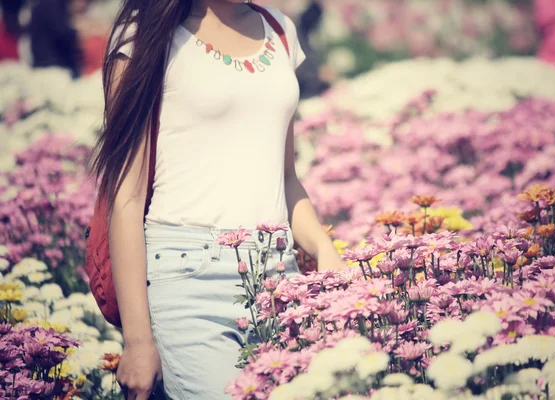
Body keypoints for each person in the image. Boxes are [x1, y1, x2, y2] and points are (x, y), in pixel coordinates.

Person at [88, 0, 346, 399]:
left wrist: (324, 247)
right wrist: (138, 341)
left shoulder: (279, 30)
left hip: (280, 274)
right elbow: (128, 195)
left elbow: (286, 176)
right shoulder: (142, 38)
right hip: (188, 277)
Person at [28, 0, 88, 77]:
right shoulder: (51, 4)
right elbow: (62, 33)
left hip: (51, 65)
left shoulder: (55, 4)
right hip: (51, 67)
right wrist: (80, 30)